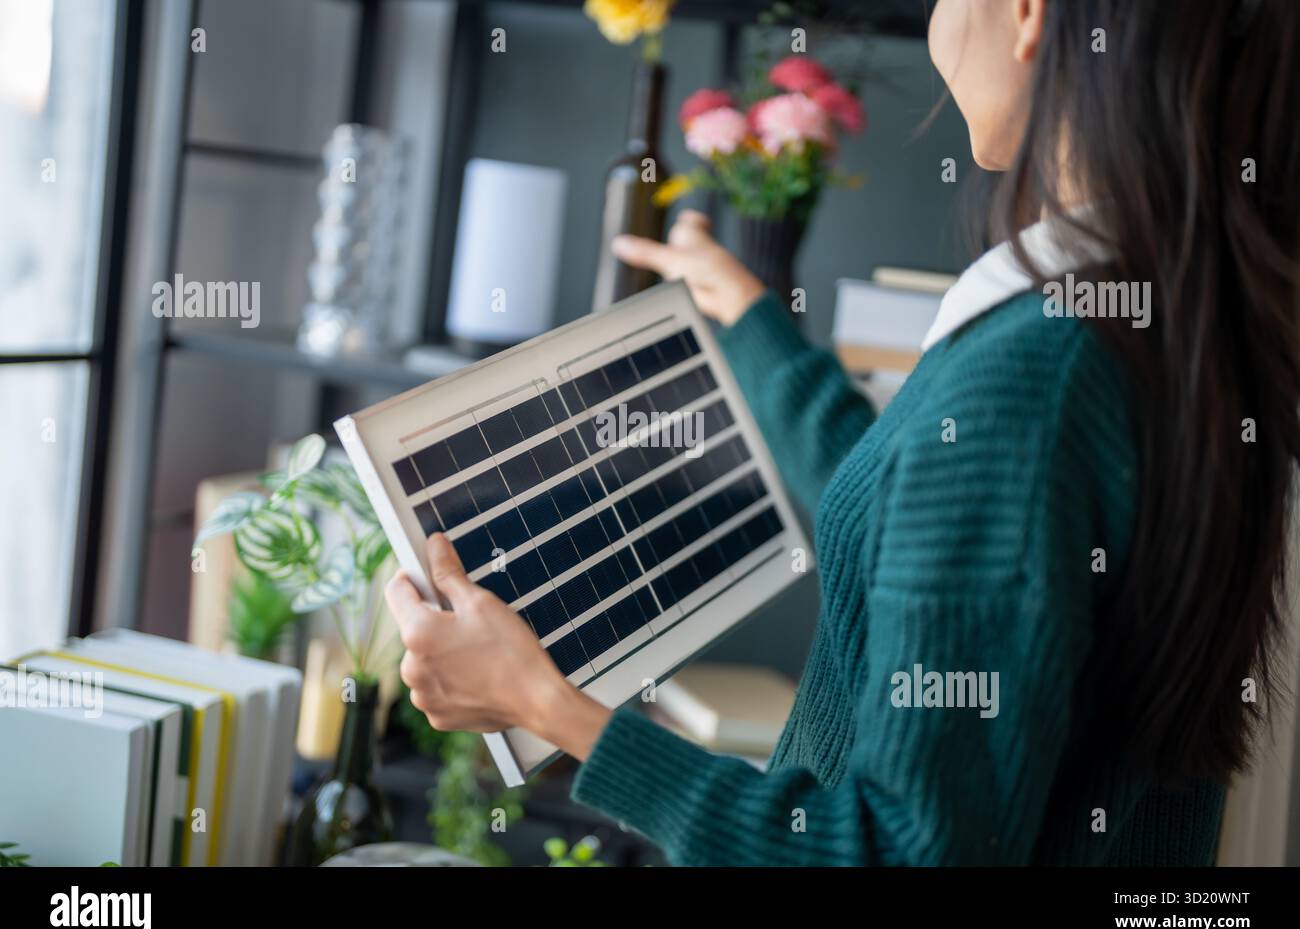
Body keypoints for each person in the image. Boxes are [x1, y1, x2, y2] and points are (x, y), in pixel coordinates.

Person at [385, 0, 1300, 865]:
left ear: (1029, 12)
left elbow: (896, 850)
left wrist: (544, 705)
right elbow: (931, 527)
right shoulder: (1166, 321)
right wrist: (749, 315)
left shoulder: (1040, 373)